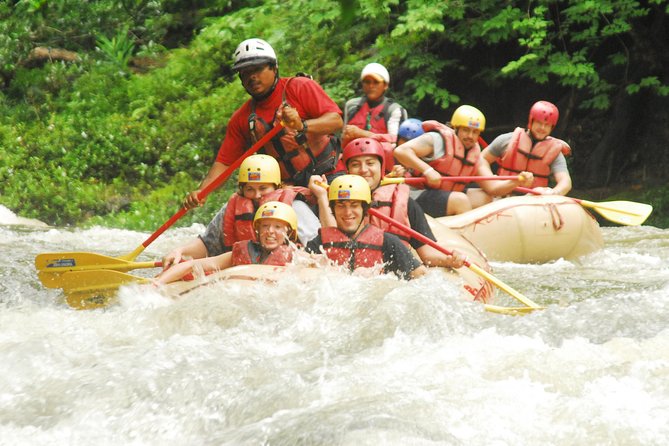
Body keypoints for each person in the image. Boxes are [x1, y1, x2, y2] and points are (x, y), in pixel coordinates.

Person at [184, 38, 344, 209]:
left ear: (274, 68)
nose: (252, 76)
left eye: (257, 69)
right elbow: (225, 163)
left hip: (328, 175)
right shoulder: (242, 118)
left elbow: (336, 121)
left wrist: (301, 126)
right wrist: (202, 192)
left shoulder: (300, 87)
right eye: (245, 73)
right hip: (288, 190)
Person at [310, 138, 464, 269]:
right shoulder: (336, 200)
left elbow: (427, 254)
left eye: (370, 163)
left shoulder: (405, 203)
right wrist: (322, 197)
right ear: (348, 170)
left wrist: (449, 260)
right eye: (356, 165)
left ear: (381, 168)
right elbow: (330, 238)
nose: (364, 170)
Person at [162, 154, 319, 270]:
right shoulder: (234, 207)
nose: (257, 195)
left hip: (282, 273)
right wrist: (180, 251)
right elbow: (207, 245)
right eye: (250, 189)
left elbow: (318, 250)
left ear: (277, 187)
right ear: (242, 190)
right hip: (239, 273)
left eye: (263, 188)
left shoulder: (294, 207)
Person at [393, 105, 533, 216]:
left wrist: (517, 181)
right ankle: (466, 241)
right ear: (456, 128)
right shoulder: (436, 139)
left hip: (444, 196)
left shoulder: (474, 155)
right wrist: (428, 170)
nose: (470, 136)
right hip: (415, 194)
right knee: (460, 200)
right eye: (466, 130)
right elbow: (401, 151)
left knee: (485, 197)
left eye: (475, 132)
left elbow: (493, 188)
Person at [305, 174, 427, 280]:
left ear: (364, 209)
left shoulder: (388, 243)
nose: (348, 212)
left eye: (354, 205)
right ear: (333, 209)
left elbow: (420, 274)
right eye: (341, 205)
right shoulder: (319, 245)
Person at [154, 201, 299, 285]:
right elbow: (192, 265)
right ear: (257, 231)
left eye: (278, 227)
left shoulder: (298, 258)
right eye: (265, 226)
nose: (270, 232)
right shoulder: (242, 252)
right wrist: (157, 285)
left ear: (289, 233)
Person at [479, 100, 572, 195]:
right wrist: (490, 183)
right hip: (502, 195)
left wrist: (554, 193)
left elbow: (565, 182)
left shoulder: (554, 151)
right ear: (531, 121)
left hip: (531, 201)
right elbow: (482, 159)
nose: (542, 128)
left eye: (547, 125)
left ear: (551, 127)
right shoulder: (507, 140)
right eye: (539, 123)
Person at [341, 62, 407, 167]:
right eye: (367, 82)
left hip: (384, 163)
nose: (371, 86)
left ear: (385, 85)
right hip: (354, 160)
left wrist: (361, 133)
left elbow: (395, 143)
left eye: (376, 82)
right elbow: (343, 140)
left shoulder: (394, 110)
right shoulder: (351, 106)